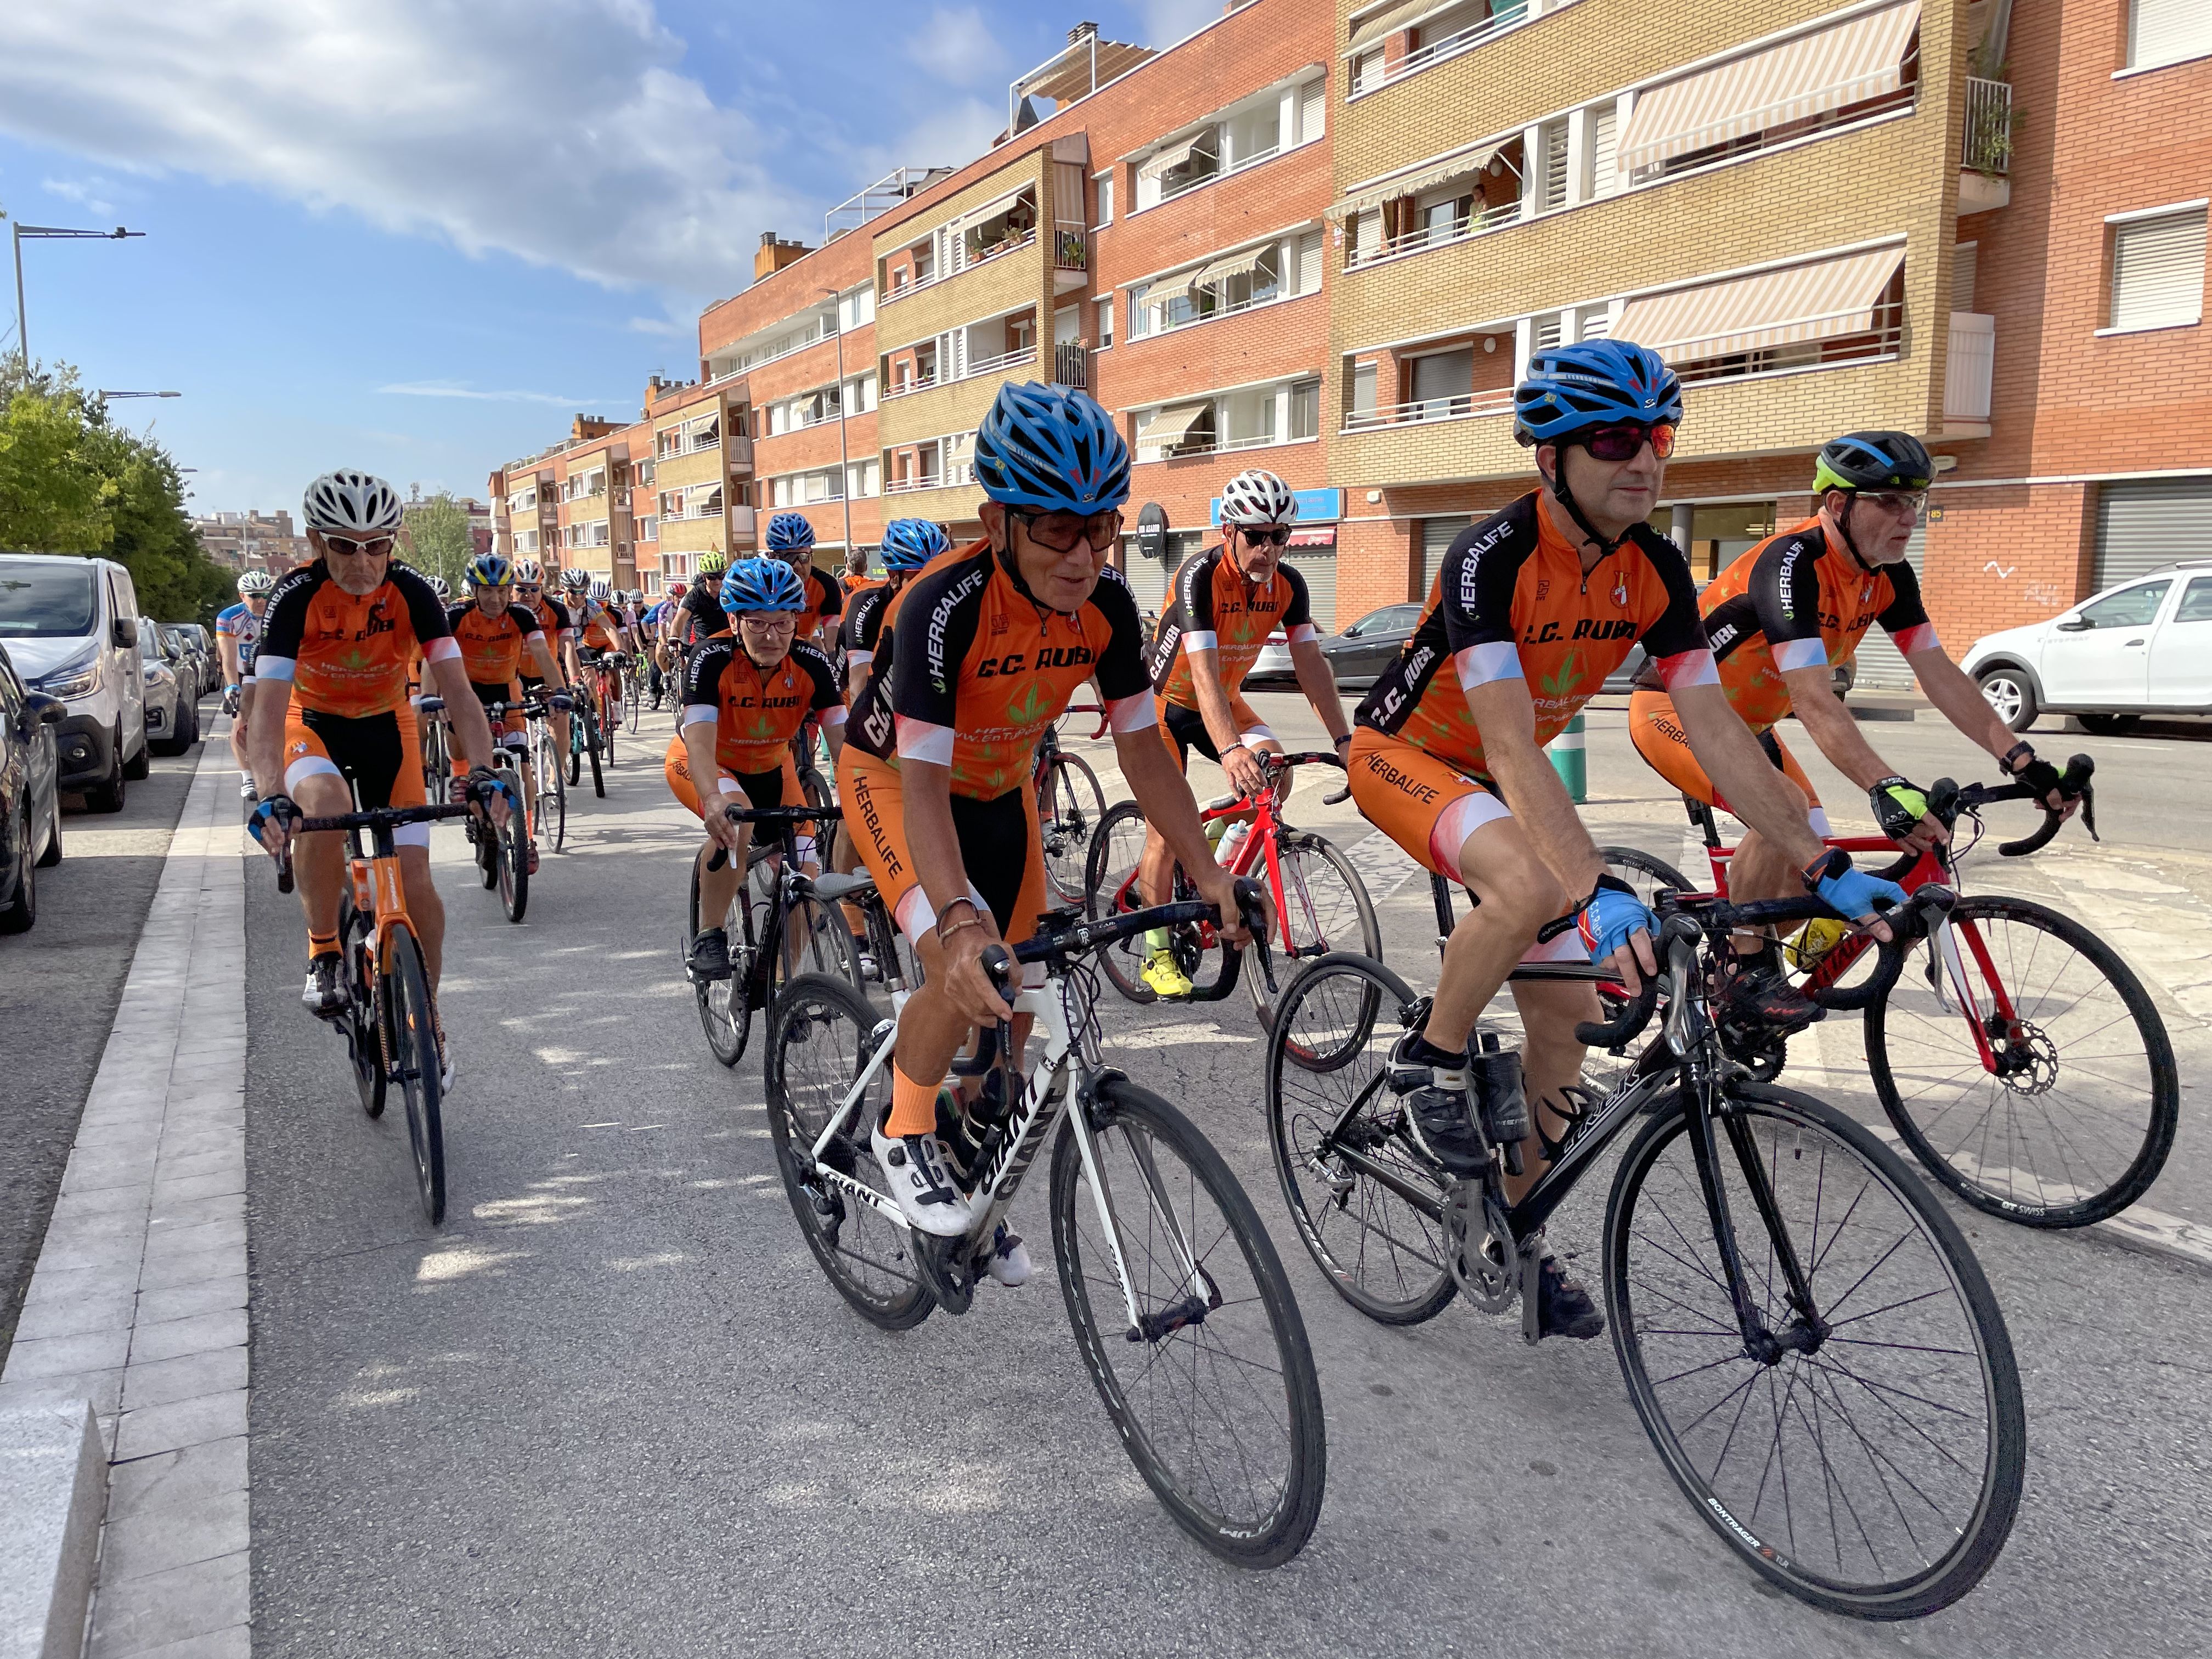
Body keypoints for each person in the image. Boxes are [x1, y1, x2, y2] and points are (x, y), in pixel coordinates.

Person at [1345, 341, 1905, 1339]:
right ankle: (1426, 1057)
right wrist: (1594, 882)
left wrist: (1824, 861)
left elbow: (1725, 734)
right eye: (1611, 440)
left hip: (1499, 776)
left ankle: (1509, 1234)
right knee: (1529, 886)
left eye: (1657, 437)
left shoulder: (1651, 563)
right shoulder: (1490, 556)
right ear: (1548, 458)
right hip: (1411, 754)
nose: (1643, 459)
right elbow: (1512, 747)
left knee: (1560, 1028)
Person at [838, 381, 1256, 1253]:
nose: (1084, 554)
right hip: (894, 784)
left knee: (1018, 1011)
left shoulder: (1105, 605)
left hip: (997, 790)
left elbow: (1145, 753)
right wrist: (954, 922)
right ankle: (901, 1129)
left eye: (1101, 526)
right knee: (961, 968)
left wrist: (1209, 872)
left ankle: (966, 1122)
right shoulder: (939, 607)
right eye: (1058, 529)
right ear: (998, 525)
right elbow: (920, 787)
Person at [1628, 430, 2084, 1007]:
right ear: (1839, 504)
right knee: (1786, 809)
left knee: (1808, 868)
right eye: (1889, 501)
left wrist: (2024, 761)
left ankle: (1733, 960)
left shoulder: (1887, 577)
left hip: (1753, 730)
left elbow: (1939, 673)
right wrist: (1884, 784)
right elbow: (1816, 700)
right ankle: (1741, 972)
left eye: (1914, 501)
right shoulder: (1791, 563)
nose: (1907, 517)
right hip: (1674, 713)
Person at [245, 470, 507, 1067]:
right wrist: (268, 794)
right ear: (317, 542)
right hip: (309, 721)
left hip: (389, 726)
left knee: (418, 888)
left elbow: (461, 694)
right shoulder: (294, 597)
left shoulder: (413, 592)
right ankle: (324, 951)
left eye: (377, 545)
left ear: (394, 542)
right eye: (344, 545)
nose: (362, 560)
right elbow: (264, 708)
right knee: (327, 806)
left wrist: (485, 770)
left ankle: (426, 1016)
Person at [1133, 467, 1353, 996]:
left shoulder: (1289, 586)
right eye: (1256, 536)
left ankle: (1217, 847)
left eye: (1280, 537)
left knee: (1276, 777)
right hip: (1163, 706)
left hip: (1223, 703)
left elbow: (1311, 666)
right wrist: (1231, 748)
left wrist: (1346, 742)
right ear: (1228, 531)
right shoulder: (1198, 577)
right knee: (1165, 831)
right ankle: (1156, 951)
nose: (1268, 549)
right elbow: (1202, 672)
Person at [672, 558, 846, 981]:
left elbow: (845, 744)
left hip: (772, 766)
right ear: (733, 620)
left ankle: (784, 982)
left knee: (807, 874)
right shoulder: (710, 657)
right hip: (708, 762)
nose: (772, 636)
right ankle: (710, 933)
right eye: (757, 623)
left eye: (783, 623)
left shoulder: (811, 663)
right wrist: (712, 797)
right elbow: (698, 740)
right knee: (735, 815)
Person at [447, 552, 564, 873]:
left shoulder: (522, 615)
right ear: (475, 590)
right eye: (487, 591)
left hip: (506, 687)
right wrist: (434, 697)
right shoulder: (457, 614)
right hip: (467, 689)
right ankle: (460, 776)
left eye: (502, 590)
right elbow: (437, 656)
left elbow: (541, 652)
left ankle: (526, 838)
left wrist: (561, 691)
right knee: (458, 735)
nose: (496, 598)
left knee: (521, 761)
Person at [510, 557, 576, 763]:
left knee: (562, 720)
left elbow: (567, 645)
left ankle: (555, 779)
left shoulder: (556, 609)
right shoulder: (505, 612)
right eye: (521, 589)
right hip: (514, 675)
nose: (528, 595)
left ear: (542, 589)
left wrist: (574, 679)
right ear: (511, 589)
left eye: (534, 589)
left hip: (548, 674)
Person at [216, 569, 273, 805]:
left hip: (271, 672)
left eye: (264, 594)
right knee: (240, 719)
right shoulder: (229, 617)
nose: (260, 600)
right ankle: (247, 776)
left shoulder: (277, 611)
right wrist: (231, 686)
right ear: (242, 596)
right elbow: (227, 658)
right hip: (241, 672)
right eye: (254, 595)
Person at [762, 511, 844, 649]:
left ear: (812, 555)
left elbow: (831, 647)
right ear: (773, 557)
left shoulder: (827, 585)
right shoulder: (761, 583)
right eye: (789, 557)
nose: (797, 565)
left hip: (801, 650)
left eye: (803, 557)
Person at [673, 550, 732, 650]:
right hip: (703, 644)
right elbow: (680, 619)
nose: (717, 582)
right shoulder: (695, 595)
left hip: (728, 642)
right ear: (704, 577)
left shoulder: (730, 591)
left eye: (721, 576)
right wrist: (674, 638)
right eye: (711, 577)